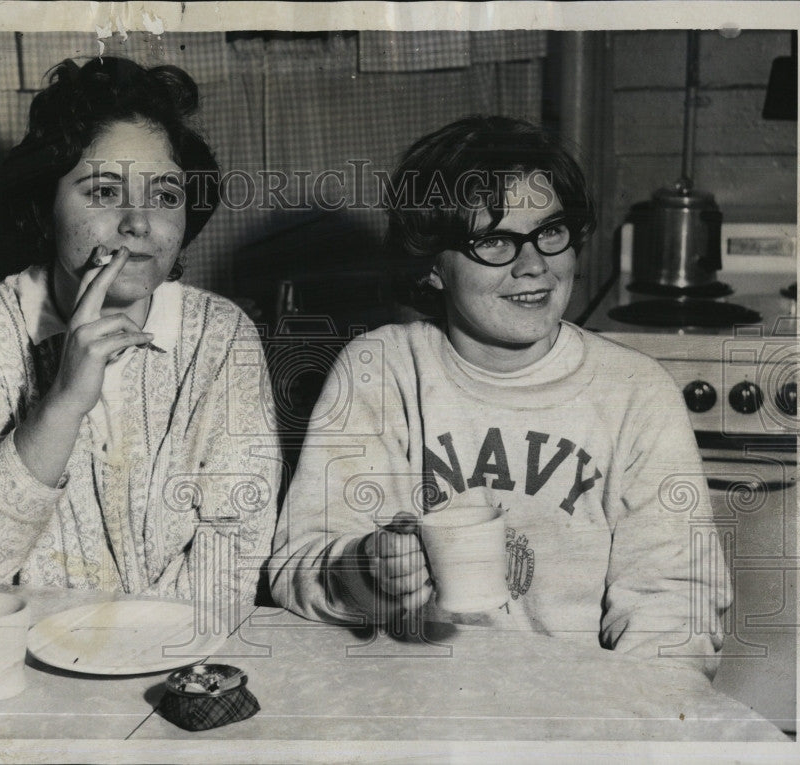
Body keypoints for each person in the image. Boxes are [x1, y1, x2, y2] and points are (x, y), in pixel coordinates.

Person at [268, 115, 731, 677]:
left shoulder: (635, 391)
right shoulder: (381, 371)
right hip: (411, 703)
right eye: (493, 240)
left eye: (550, 231)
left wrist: (635, 724)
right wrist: (366, 572)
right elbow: (298, 563)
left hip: (579, 711)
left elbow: (675, 603)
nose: (534, 264)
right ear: (433, 268)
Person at [0, 57, 279, 607]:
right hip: (26, 657)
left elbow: (235, 546)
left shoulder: (222, 335)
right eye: (104, 192)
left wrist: (160, 651)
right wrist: (63, 403)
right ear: (43, 207)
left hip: (177, 650)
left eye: (166, 195)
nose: (140, 223)